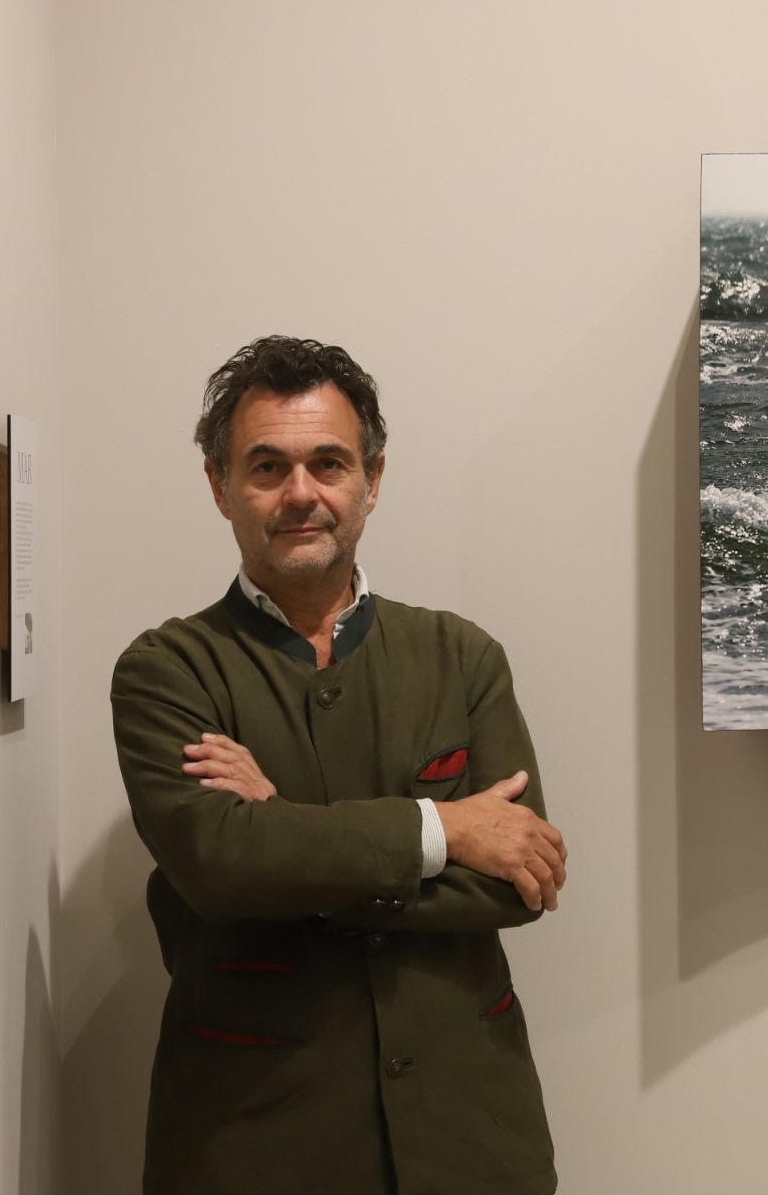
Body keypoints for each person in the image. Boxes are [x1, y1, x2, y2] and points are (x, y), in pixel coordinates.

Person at [109, 336, 567, 1195]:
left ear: (372, 480)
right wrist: (444, 829)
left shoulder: (462, 657)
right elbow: (219, 869)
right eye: (267, 467)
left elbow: (519, 881)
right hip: (254, 1141)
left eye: (329, 463)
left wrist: (285, 838)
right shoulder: (167, 670)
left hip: (470, 1137)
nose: (301, 494)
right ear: (219, 487)